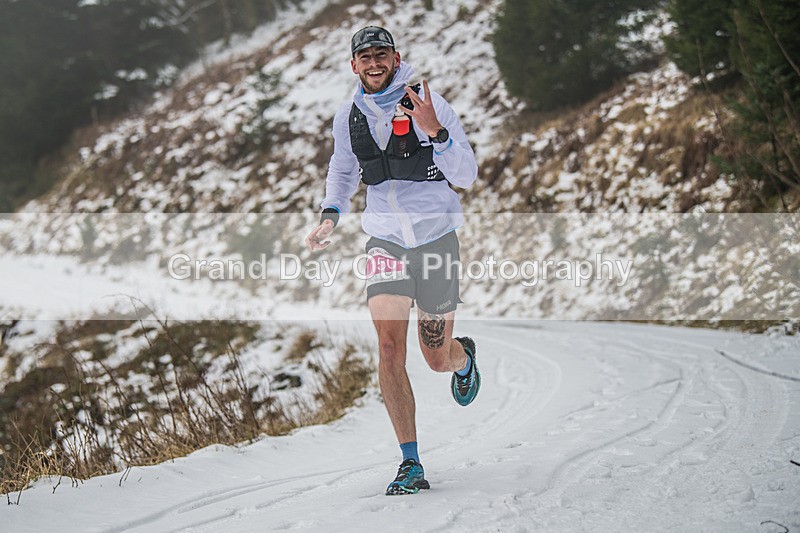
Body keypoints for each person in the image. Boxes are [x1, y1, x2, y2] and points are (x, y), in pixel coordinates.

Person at [305, 26, 481, 496]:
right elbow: (342, 169)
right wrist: (330, 215)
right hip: (384, 242)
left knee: (434, 356)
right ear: (354, 66)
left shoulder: (429, 102)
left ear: (396, 57)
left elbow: (465, 174)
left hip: (436, 239)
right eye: (365, 57)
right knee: (388, 348)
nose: (374, 63)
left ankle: (462, 359)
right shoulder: (349, 116)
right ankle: (410, 463)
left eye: (382, 54)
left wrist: (435, 132)